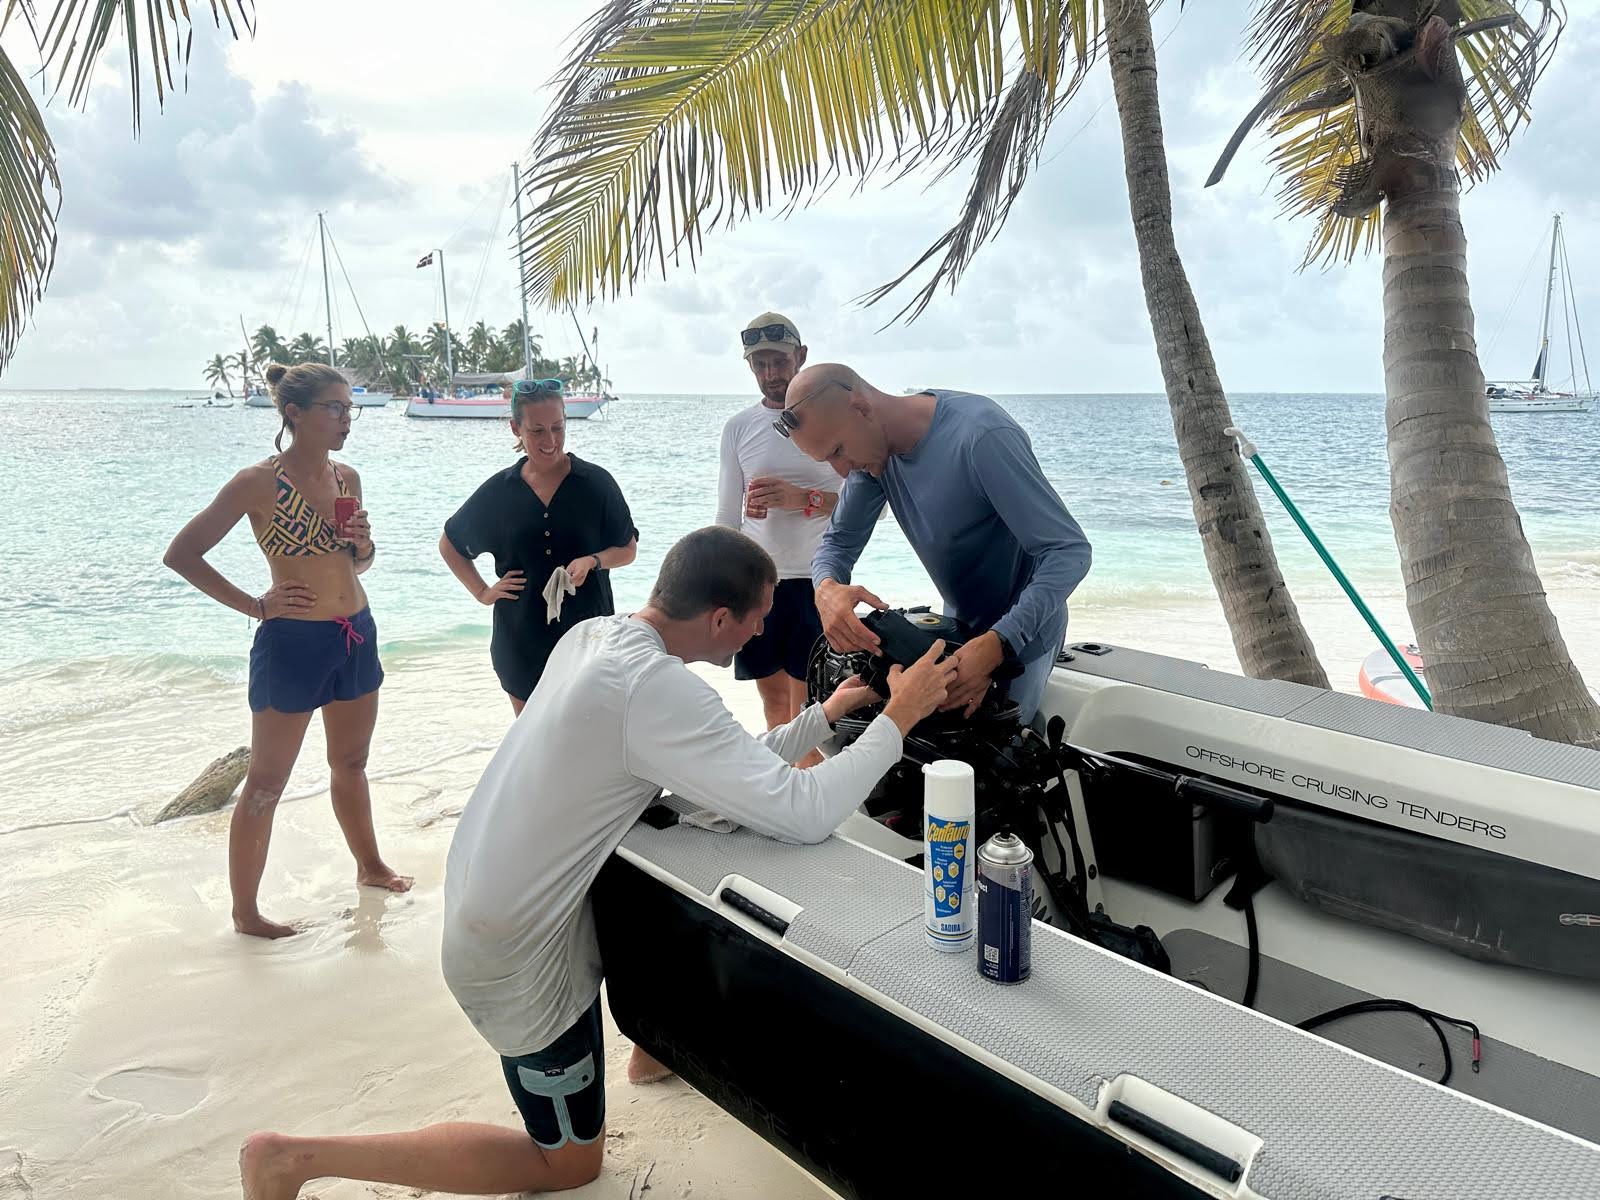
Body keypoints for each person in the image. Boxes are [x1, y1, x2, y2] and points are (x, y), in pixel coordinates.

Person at [238, 526, 956, 1198]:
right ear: (717, 620)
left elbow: (725, 773)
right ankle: (293, 1158)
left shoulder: (598, 637)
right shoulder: (655, 688)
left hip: (494, 890)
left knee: (675, 879)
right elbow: (802, 814)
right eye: (758, 617)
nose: (763, 631)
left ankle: (654, 1049)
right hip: (514, 950)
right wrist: (902, 716)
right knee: (569, 1163)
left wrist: (824, 716)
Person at [163, 362, 411, 940]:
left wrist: (365, 545)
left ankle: (370, 866)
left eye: (349, 408)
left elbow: (356, 562)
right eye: (335, 407)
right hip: (293, 641)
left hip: (356, 632)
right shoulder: (258, 483)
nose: (347, 418)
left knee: (350, 764)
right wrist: (256, 605)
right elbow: (183, 554)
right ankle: (246, 914)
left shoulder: (347, 477)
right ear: (294, 413)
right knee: (266, 782)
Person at [776, 363, 1092, 723]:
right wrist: (827, 589)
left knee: (1003, 762)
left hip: (1025, 633)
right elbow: (837, 543)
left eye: (837, 451)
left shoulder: (982, 435)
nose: (842, 471)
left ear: (860, 407)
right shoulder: (870, 459)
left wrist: (1000, 642)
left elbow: (1068, 552)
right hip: (958, 627)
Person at [439, 378, 638, 714]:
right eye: (537, 431)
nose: (551, 441)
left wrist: (593, 561)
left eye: (558, 428)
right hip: (520, 640)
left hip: (587, 639)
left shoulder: (595, 484)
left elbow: (627, 549)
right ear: (516, 428)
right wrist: (483, 592)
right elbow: (451, 544)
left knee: (586, 742)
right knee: (529, 748)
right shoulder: (500, 491)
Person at [714, 312, 841, 748]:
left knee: (808, 708)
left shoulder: (830, 421)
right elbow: (727, 519)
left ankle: (803, 803)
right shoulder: (739, 428)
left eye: (779, 363)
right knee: (772, 706)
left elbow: (868, 512)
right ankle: (779, 799)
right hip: (758, 582)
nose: (770, 375)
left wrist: (801, 498)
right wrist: (720, 582)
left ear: (800, 357)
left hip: (816, 581)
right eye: (759, 365)